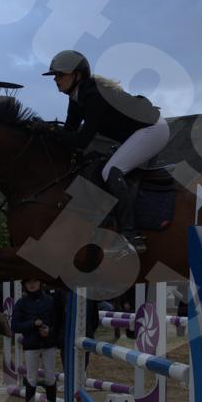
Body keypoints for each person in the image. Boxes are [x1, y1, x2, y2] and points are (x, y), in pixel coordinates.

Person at [43, 49, 170, 253]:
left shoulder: (94, 96)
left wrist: (50, 130)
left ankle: (131, 235)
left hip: (152, 129)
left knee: (111, 171)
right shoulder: (76, 98)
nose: (55, 79)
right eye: (54, 75)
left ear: (78, 75)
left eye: (60, 75)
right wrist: (46, 134)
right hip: (136, 134)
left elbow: (81, 141)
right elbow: (69, 133)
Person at [11, 278, 62, 402]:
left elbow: (57, 322)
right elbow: (15, 326)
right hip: (31, 345)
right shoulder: (21, 303)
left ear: (40, 283)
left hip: (48, 344)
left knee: (50, 378)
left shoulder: (50, 301)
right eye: (28, 282)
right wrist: (33, 324)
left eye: (34, 281)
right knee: (31, 379)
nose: (32, 284)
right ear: (25, 285)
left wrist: (49, 331)